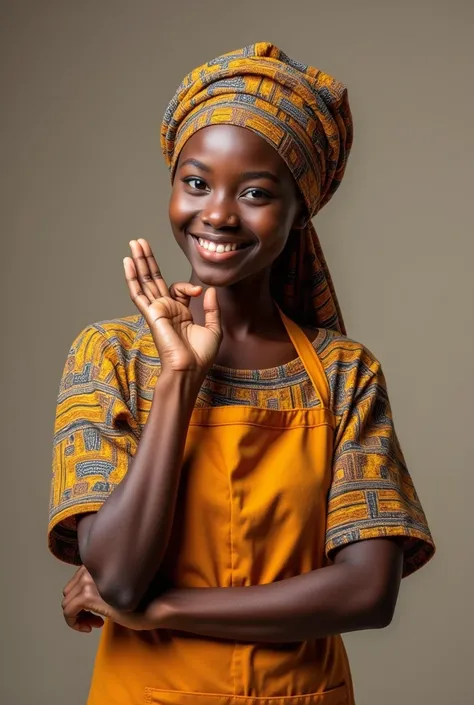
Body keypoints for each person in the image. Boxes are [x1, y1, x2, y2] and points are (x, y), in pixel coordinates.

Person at [49, 42, 434, 705]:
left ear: (300, 209)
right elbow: (114, 578)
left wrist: (167, 611)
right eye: (196, 181)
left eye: (256, 192)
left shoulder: (345, 373)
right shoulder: (109, 355)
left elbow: (369, 591)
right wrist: (179, 378)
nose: (219, 213)